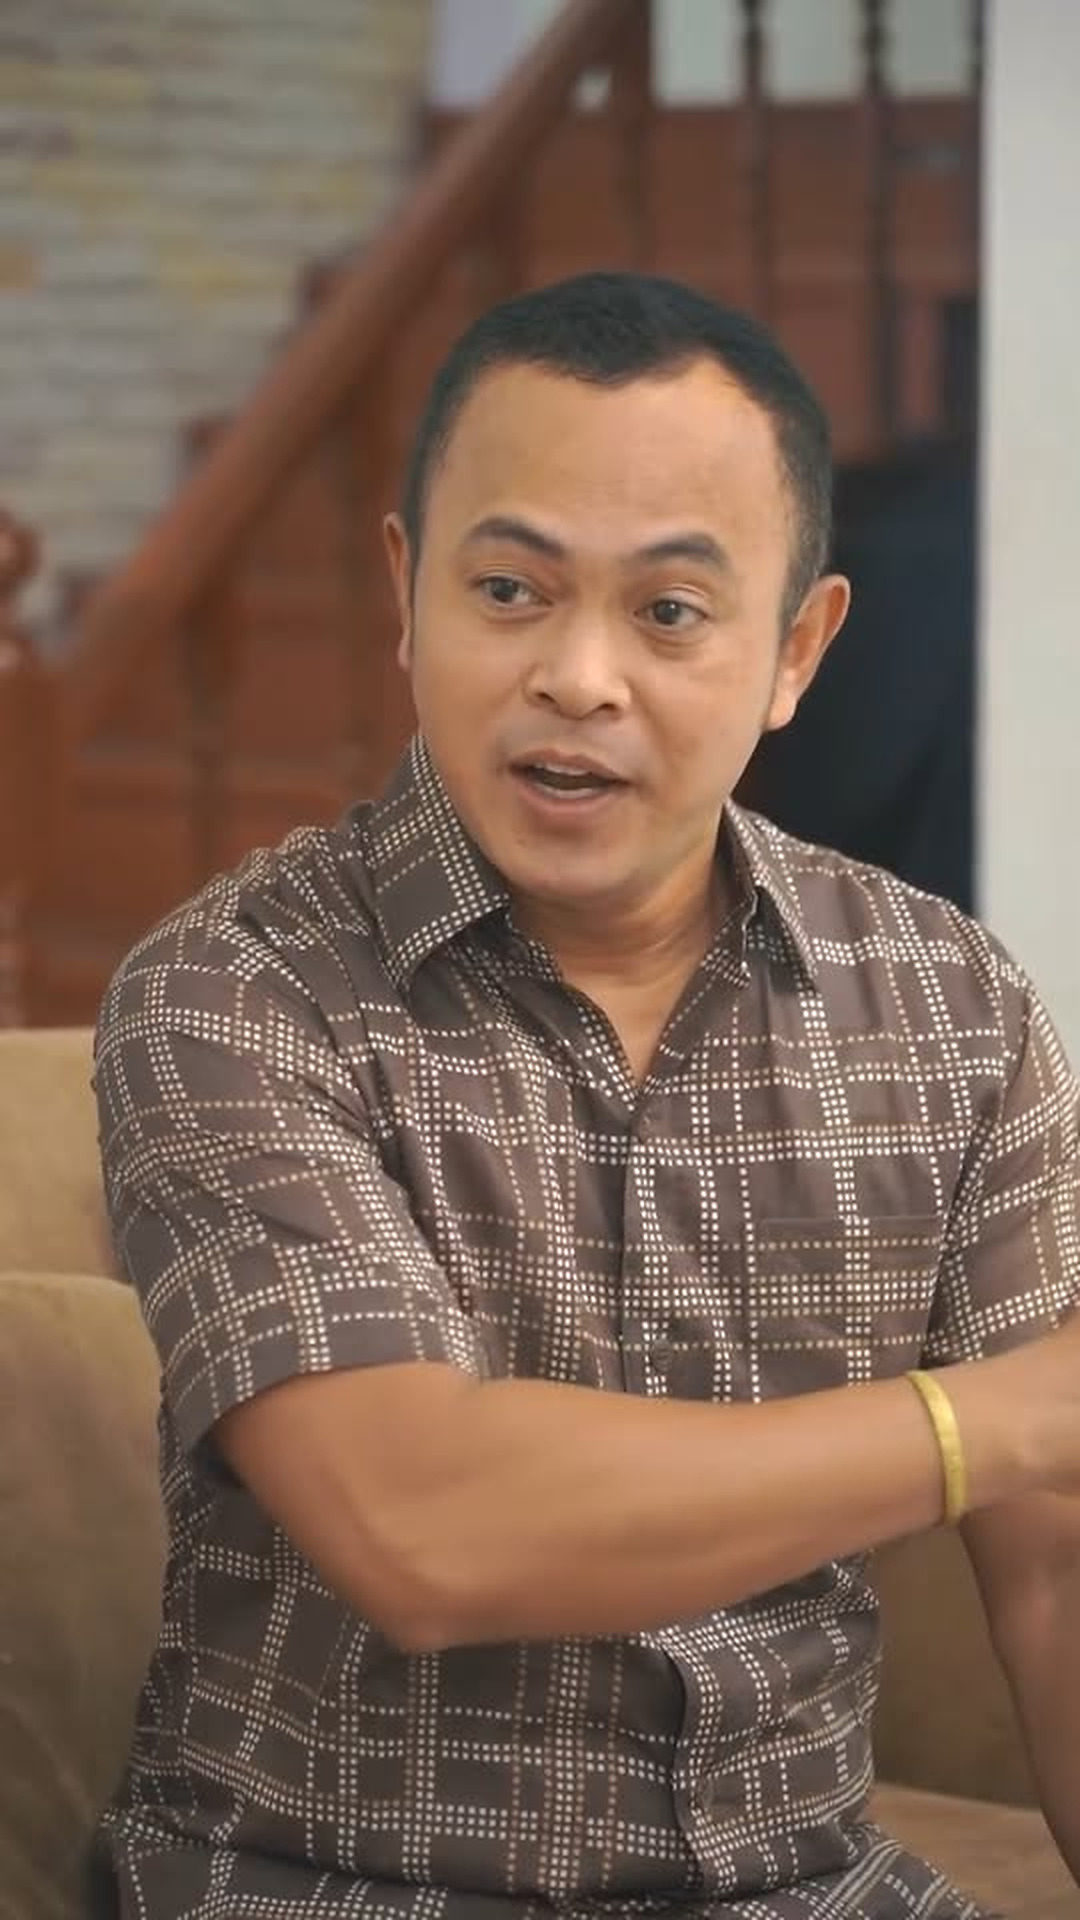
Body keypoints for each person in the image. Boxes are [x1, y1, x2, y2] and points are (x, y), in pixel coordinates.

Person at [92, 272, 1080, 1920]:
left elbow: (1054, 1574)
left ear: (797, 649)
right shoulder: (234, 991)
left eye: (671, 613)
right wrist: (1002, 1417)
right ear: (407, 595)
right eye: (510, 590)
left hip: (806, 1890)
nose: (580, 676)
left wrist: (1036, 1442)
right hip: (340, 1891)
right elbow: (423, 1525)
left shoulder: (951, 1007)